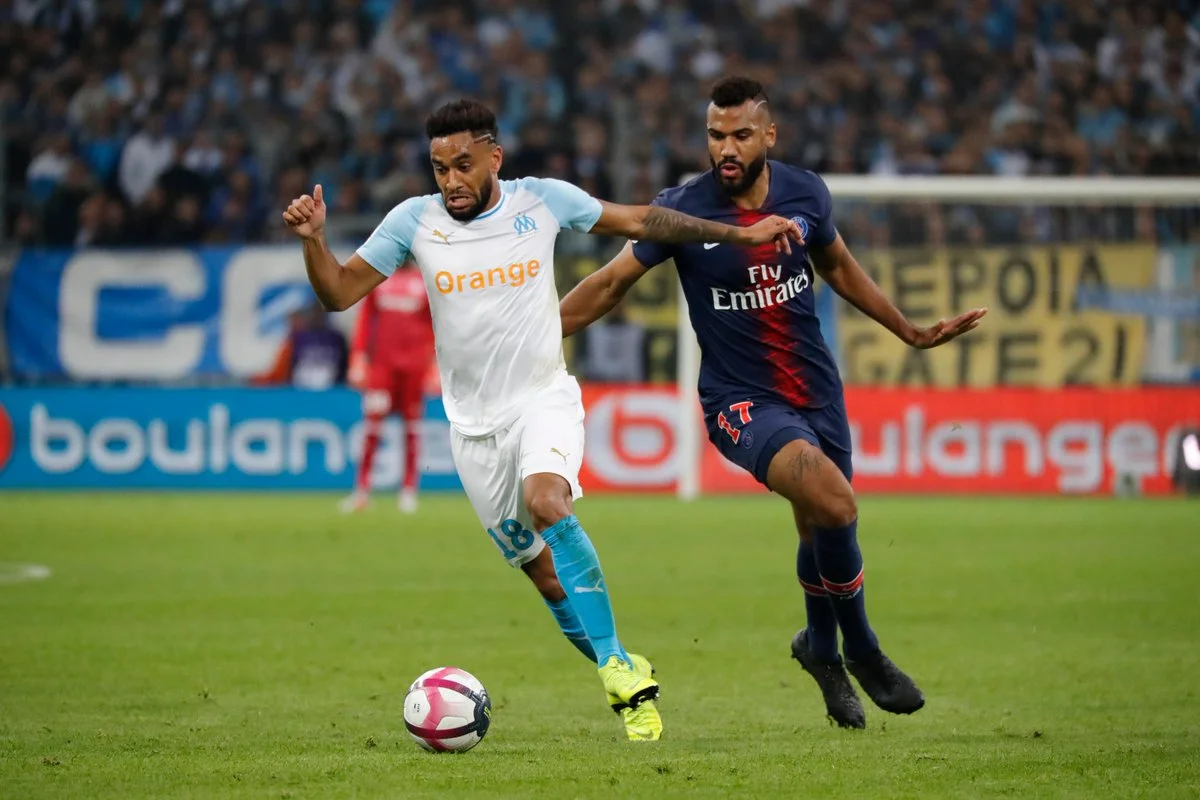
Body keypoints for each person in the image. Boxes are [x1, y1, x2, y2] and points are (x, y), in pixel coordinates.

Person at [282, 98, 803, 741]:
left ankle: (616, 670)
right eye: (440, 168)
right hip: (472, 431)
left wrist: (738, 234)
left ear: (494, 157)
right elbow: (337, 293)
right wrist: (315, 243)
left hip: (542, 398)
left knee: (548, 501)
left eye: (464, 165)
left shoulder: (542, 200)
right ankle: (625, 673)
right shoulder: (412, 221)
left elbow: (641, 218)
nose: (451, 181)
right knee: (546, 577)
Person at [560, 77, 988, 729]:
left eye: (740, 135)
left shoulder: (805, 192)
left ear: (769, 135)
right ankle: (862, 650)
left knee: (820, 523)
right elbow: (611, 282)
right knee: (835, 502)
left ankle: (820, 650)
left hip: (816, 390)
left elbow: (837, 266)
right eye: (715, 136)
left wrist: (908, 330)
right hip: (739, 401)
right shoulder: (684, 210)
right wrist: (534, 335)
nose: (726, 149)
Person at [340, 263, 436, 515]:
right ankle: (362, 490)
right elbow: (365, 320)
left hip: (414, 368)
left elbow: (436, 324)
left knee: (412, 428)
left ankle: (408, 490)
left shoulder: (424, 281)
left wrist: (434, 365)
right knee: (372, 426)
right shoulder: (380, 278)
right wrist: (358, 357)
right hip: (382, 368)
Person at [256, 302, 349, 391]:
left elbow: (345, 367)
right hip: (299, 391)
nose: (316, 316)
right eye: (313, 312)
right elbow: (281, 370)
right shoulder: (297, 337)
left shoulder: (336, 338)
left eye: (320, 313)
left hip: (332, 391)